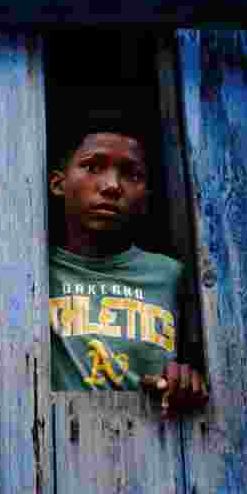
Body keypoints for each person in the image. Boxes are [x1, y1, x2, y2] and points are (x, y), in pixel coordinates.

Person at [48, 128, 210, 417]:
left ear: (146, 197)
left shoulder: (172, 276)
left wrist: (189, 379)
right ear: (58, 184)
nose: (112, 186)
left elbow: (205, 370)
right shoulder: (33, 273)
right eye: (93, 167)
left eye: (131, 174)